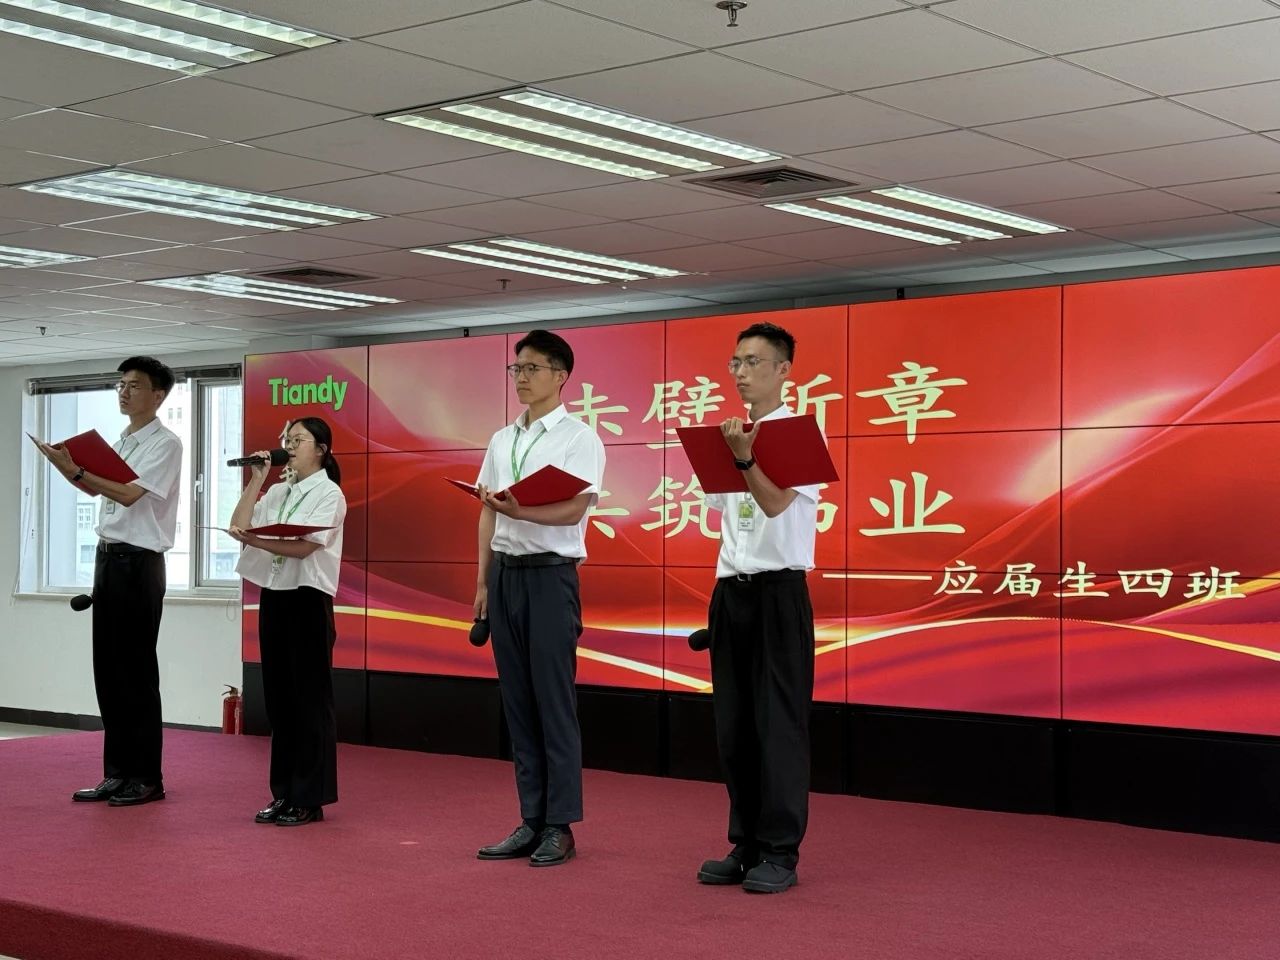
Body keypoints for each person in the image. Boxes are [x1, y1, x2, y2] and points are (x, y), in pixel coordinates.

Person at [473, 330, 605, 867]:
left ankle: (560, 824)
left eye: (532, 368)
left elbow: (574, 509)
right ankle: (530, 818)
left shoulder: (579, 437)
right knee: (518, 703)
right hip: (506, 575)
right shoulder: (502, 439)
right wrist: (482, 582)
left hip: (552, 577)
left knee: (553, 701)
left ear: (560, 375)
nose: (522, 378)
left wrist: (519, 511)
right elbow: (487, 510)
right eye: (516, 369)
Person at [696, 322, 820, 894]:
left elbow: (773, 505)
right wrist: (733, 452)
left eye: (752, 361)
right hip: (732, 592)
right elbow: (727, 514)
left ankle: (779, 851)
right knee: (735, 727)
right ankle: (743, 844)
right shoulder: (729, 434)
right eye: (735, 362)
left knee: (779, 726)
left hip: (779, 594)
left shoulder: (799, 434)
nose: (740, 372)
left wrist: (745, 459)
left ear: (783, 369)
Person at [37, 357, 182, 807]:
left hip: (140, 563)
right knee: (109, 671)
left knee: (136, 672)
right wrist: (67, 467)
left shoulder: (165, 444)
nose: (123, 392)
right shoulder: (122, 441)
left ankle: (147, 777)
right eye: (121, 385)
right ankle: (117, 773)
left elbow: (129, 494)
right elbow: (100, 489)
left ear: (157, 395)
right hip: (108, 560)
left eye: (134, 385)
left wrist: (80, 472)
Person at [229, 417, 346, 827]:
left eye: (299, 440)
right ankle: (283, 793)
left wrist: (257, 540)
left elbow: (304, 548)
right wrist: (256, 480)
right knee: (279, 699)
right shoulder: (279, 490)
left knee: (309, 700)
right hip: (275, 595)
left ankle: (309, 797)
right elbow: (240, 524)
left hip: (308, 599)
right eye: (287, 439)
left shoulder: (330, 494)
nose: (289, 446)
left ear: (322, 450)